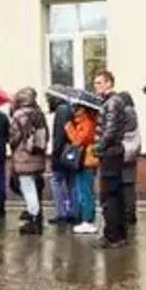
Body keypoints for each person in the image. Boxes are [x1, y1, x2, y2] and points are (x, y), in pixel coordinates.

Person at [94, 71, 138, 248]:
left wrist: (99, 147)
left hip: (111, 153)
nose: (96, 87)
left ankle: (113, 235)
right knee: (115, 194)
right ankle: (117, 234)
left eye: (99, 83)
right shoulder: (111, 102)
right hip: (113, 152)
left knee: (109, 195)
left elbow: (110, 130)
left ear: (109, 83)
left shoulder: (112, 103)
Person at [7, 88, 50, 235]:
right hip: (38, 154)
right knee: (34, 186)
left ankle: (34, 219)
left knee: (28, 187)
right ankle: (37, 218)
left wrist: (13, 144)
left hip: (24, 156)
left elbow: (14, 137)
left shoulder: (19, 115)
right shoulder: (39, 114)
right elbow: (46, 135)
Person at [65, 101, 100, 235]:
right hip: (83, 160)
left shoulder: (88, 122)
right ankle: (85, 219)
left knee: (85, 191)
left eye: (77, 108)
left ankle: (88, 221)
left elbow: (79, 141)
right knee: (82, 190)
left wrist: (70, 130)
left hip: (87, 160)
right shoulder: (83, 121)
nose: (74, 110)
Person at [48, 95, 78, 229]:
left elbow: (59, 135)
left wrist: (55, 154)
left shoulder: (61, 110)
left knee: (56, 182)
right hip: (71, 152)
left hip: (62, 154)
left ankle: (61, 213)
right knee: (72, 182)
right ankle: (74, 212)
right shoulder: (70, 109)